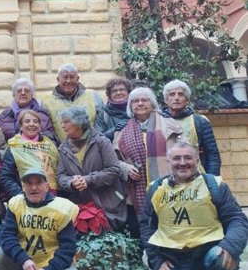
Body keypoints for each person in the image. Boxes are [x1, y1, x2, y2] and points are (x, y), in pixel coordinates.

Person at [140, 143, 248, 270]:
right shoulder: (156, 189)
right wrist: (157, 260)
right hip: (175, 257)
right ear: (168, 162)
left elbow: (237, 219)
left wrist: (230, 246)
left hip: (209, 250)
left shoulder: (214, 185)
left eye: (188, 158)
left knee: (223, 257)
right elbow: (147, 226)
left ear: (197, 160)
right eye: (176, 158)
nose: (182, 163)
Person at [0, 167, 79, 270]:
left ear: (47, 186)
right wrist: (23, 259)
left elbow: (68, 247)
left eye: (38, 183)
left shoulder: (62, 208)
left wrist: (51, 269)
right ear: (23, 186)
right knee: (1, 254)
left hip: (54, 261)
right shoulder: (16, 204)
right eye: (28, 183)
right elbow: (7, 238)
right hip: (27, 261)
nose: (33, 188)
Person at [115, 87, 185, 237]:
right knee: (141, 233)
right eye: (135, 101)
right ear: (130, 106)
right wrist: (126, 169)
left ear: (152, 103)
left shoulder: (170, 125)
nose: (140, 103)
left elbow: (184, 152)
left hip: (170, 189)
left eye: (144, 100)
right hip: (135, 193)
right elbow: (114, 161)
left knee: (170, 230)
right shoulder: (121, 132)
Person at [56, 107, 127, 231]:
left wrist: (88, 179)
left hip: (108, 205)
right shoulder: (63, 148)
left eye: (66, 121)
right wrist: (71, 183)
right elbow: (61, 176)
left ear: (78, 123)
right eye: (61, 122)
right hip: (81, 209)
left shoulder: (101, 141)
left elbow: (114, 169)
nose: (62, 126)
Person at [161, 79, 221, 174]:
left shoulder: (200, 121)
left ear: (187, 100)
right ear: (165, 100)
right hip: (166, 179)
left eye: (180, 94)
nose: (176, 98)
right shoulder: (158, 122)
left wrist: (212, 180)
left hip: (196, 178)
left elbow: (212, 154)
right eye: (172, 94)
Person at [0, 109, 60, 199]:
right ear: (21, 126)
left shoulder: (50, 144)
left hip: (52, 196)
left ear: (39, 126)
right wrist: (21, 196)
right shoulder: (14, 146)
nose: (31, 124)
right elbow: (6, 176)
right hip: (26, 197)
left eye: (35, 121)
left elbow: (59, 169)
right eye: (27, 121)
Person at [41, 63, 104, 143]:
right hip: (61, 150)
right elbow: (47, 129)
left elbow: (101, 124)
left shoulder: (93, 96)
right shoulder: (47, 100)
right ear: (58, 79)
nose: (68, 81)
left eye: (72, 77)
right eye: (65, 77)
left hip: (91, 147)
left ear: (77, 79)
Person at [0, 77, 55, 142]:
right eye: (19, 91)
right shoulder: (4, 116)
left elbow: (53, 138)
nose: (23, 93)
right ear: (14, 94)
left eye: (27, 91)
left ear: (32, 94)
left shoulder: (43, 114)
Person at [96, 77, 133, 142]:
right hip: (111, 151)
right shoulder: (103, 114)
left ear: (128, 92)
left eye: (122, 90)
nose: (118, 93)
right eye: (114, 91)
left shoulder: (136, 109)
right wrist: (114, 131)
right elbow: (97, 138)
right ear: (109, 95)